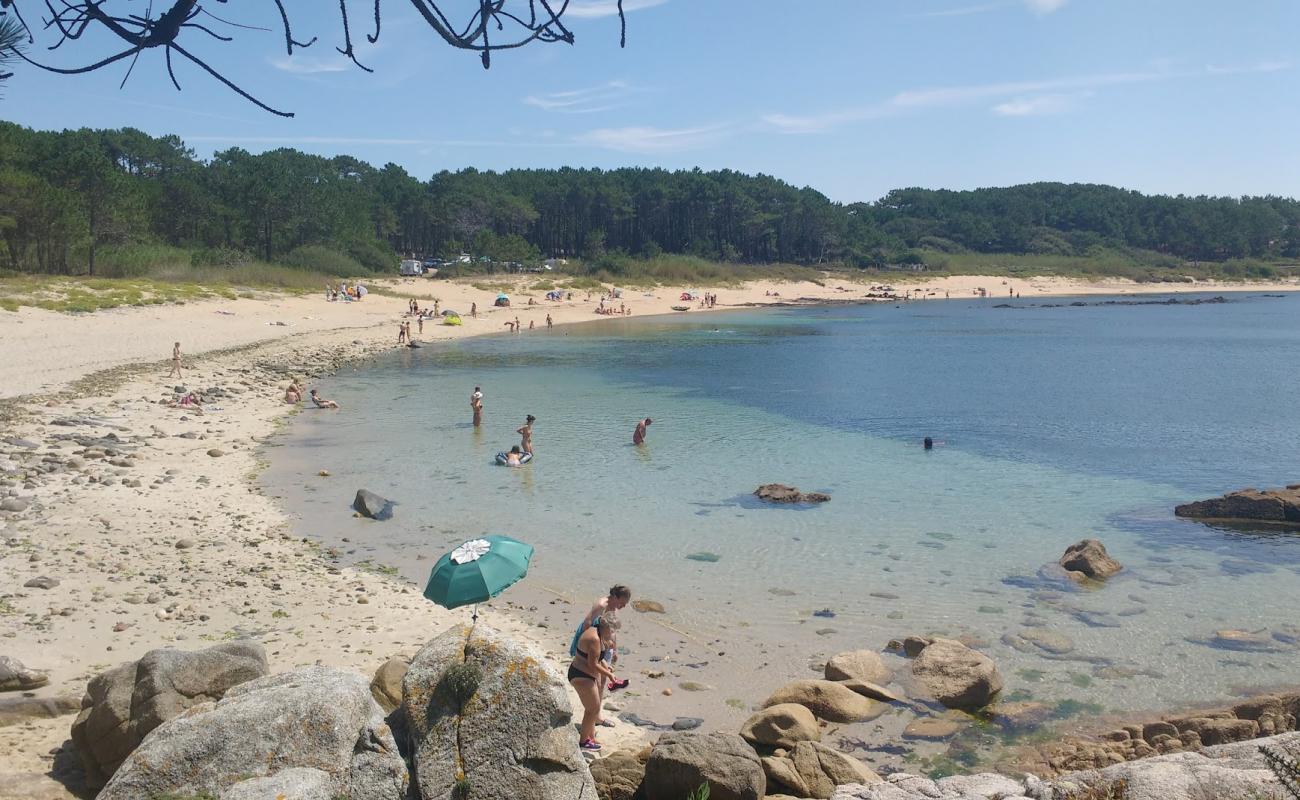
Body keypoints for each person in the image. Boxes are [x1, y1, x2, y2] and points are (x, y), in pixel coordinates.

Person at [569, 616, 620, 751]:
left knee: (594, 708)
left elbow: (598, 658)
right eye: (613, 630)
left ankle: (590, 737)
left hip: (587, 675)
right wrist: (608, 674)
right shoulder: (594, 639)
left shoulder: (598, 632)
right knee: (592, 709)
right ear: (606, 628)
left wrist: (606, 667)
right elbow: (592, 664)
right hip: (580, 675)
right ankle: (584, 742)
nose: (613, 634)